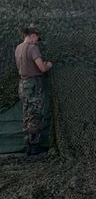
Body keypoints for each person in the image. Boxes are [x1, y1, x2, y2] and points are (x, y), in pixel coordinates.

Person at [15, 25, 53, 156]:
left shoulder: (18, 48)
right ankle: (35, 147)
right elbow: (41, 68)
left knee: (27, 114)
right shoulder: (33, 48)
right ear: (32, 36)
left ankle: (28, 146)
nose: (37, 40)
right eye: (37, 37)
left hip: (23, 85)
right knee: (35, 115)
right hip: (34, 85)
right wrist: (48, 65)